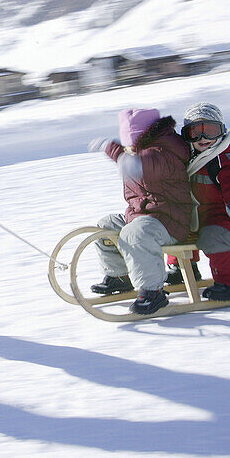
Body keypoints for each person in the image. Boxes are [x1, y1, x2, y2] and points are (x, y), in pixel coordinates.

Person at [87, 108, 194, 315]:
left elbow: (142, 167)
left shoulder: (163, 152)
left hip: (170, 222)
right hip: (146, 218)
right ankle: (120, 276)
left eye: (130, 144)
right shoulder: (138, 154)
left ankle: (153, 291)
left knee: (134, 233)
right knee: (105, 225)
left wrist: (115, 150)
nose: (128, 149)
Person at [180, 102, 230, 301]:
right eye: (195, 132)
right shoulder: (187, 156)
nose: (203, 138)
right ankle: (180, 270)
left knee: (217, 234)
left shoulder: (227, 156)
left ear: (221, 131)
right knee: (172, 227)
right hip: (193, 215)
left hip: (225, 215)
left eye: (210, 131)